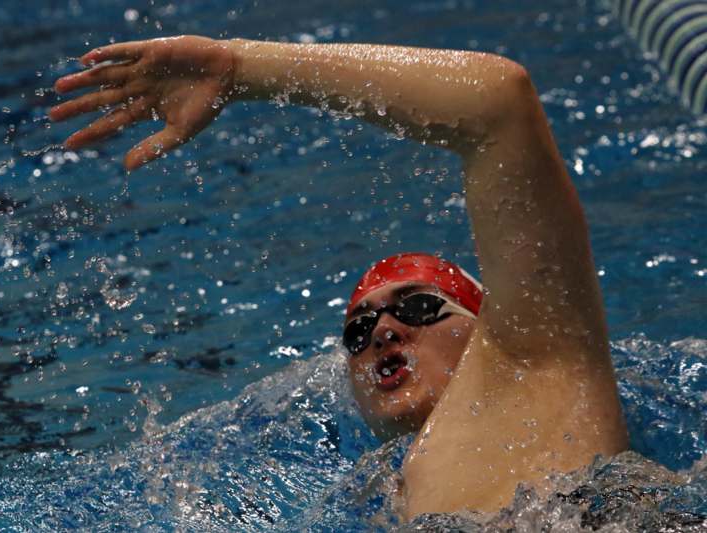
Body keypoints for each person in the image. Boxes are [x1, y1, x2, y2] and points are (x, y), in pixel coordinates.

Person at [49, 36, 629, 518]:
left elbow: (498, 105)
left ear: (484, 325)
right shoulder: (385, 496)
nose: (383, 333)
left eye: (420, 307)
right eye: (359, 329)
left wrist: (244, 69)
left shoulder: (537, 366)